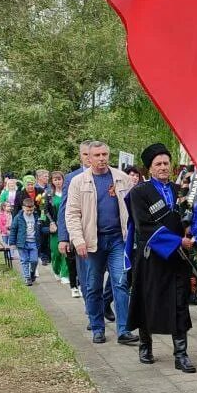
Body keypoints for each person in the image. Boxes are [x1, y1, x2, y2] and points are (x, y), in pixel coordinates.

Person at [129, 143, 196, 372]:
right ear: (149, 169)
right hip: (152, 256)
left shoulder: (182, 190)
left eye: (166, 163)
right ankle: (145, 345)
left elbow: (190, 218)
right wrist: (177, 241)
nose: (163, 167)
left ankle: (181, 354)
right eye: (158, 164)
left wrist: (191, 234)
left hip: (178, 259)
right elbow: (143, 226)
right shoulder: (139, 192)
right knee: (149, 301)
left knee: (179, 303)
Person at [64, 141, 135, 345]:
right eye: (97, 155)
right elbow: (72, 214)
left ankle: (124, 330)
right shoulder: (79, 181)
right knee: (93, 286)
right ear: (89, 158)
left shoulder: (122, 178)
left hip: (117, 240)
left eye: (105, 154)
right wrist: (77, 240)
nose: (101, 158)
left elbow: (132, 209)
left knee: (120, 283)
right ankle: (97, 327)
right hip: (91, 241)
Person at [58, 142, 95, 300]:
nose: (88, 158)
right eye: (85, 154)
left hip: (105, 234)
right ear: (80, 156)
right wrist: (64, 238)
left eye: (90, 154)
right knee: (87, 277)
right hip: (82, 235)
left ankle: (104, 303)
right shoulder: (72, 178)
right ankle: (91, 311)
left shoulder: (109, 175)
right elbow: (65, 209)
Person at [45, 172, 68, 285]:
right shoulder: (49, 195)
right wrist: (51, 222)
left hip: (67, 225)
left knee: (66, 250)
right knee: (55, 251)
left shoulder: (68, 192)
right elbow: (46, 210)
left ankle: (65, 274)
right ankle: (56, 269)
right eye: (55, 179)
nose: (58, 181)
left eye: (59, 179)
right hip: (55, 226)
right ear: (52, 181)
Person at [33, 169, 52, 267]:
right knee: (41, 237)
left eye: (48, 176)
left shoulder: (50, 187)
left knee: (48, 235)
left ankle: (49, 255)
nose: (47, 178)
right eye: (45, 176)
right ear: (39, 177)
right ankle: (43, 257)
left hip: (49, 215)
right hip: (39, 216)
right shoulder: (35, 188)